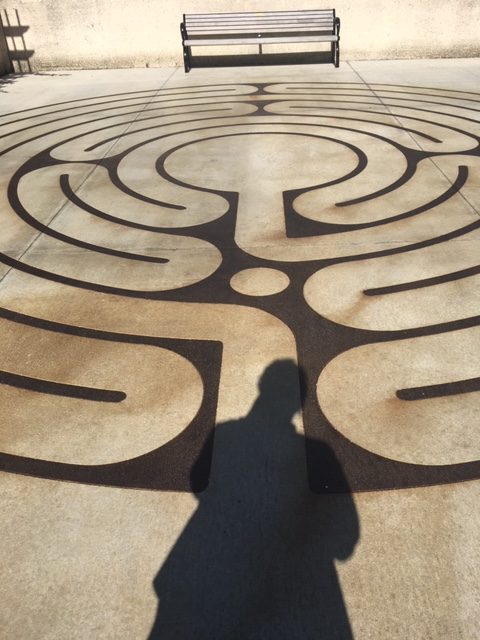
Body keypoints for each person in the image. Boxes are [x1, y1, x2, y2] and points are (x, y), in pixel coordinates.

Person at [148, 359, 359, 639]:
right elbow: (345, 542)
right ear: (301, 402)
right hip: (292, 591)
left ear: (261, 388)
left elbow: (199, 484)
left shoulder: (224, 434)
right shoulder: (318, 453)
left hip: (213, 575)